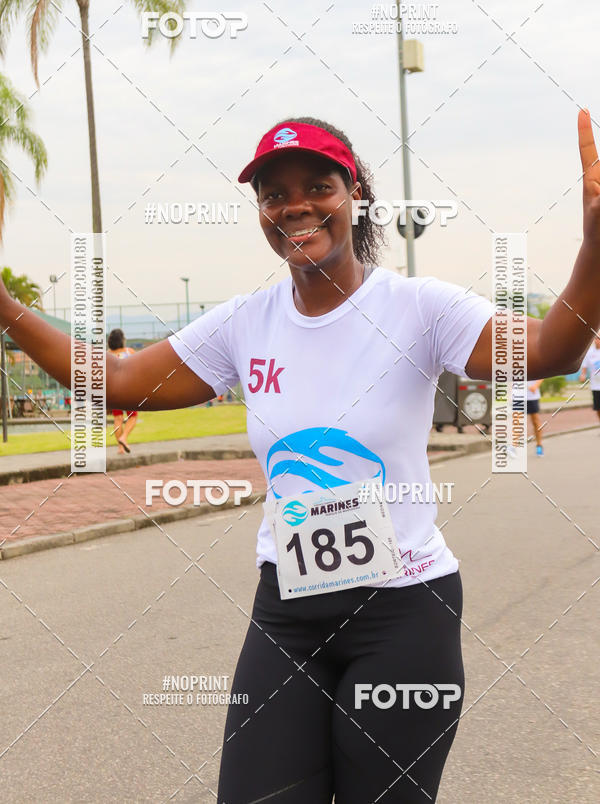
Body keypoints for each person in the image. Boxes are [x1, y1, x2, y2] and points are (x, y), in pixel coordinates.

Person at [1, 112, 599, 802]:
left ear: (357, 196)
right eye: (274, 194)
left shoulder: (418, 308)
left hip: (404, 613)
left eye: (319, 185)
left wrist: (594, 250)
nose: (296, 208)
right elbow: (115, 381)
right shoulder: (246, 323)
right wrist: (4, 304)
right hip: (287, 611)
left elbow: (548, 352)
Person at [107, 328, 138, 453]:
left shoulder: (106, 355)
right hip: (128, 389)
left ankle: (120, 448)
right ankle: (124, 438)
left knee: (118, 418)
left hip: (113, 390)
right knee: (133, 416)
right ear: (122, 340)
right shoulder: (130, 352)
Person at [579, 335, 600, 425]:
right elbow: (585, 366)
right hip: (595, 386)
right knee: (598, 408)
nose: (597, 340)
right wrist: (583, 375)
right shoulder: (589, 352)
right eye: (596, 338)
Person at [526, 378, 544, 456]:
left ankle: (539, 445)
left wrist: (536, 385)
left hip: (532, 396)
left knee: (535, 421)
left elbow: (542, 374)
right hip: (517, 396)